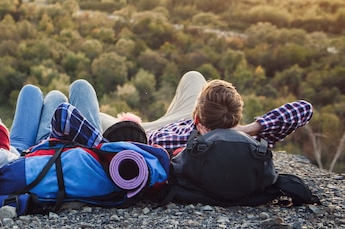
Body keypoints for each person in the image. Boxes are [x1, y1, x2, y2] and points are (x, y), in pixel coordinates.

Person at [103, 71, 313, 154]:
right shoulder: (254, 139)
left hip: (150, 133)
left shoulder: (177, 143)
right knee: (194, 76)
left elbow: (144, 144)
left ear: (197, 115)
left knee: (103, 118)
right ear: (237, 114)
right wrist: (248, 129)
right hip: (196, 123)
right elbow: (304, 108)